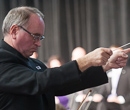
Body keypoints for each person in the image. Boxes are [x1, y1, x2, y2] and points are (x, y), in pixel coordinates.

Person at [0, 6, 130, 110]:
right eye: (35, 36)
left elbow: (59, 85)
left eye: (41, 38)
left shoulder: (33, 63)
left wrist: (105, 66)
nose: (39, 43)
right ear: (14, 31)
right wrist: (86, 60)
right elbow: (40, 81)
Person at [91, 45, 130, 110]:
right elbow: (103, 90)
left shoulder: (128, 72)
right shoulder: (107, 71)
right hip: (108, 104)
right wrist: (99, 95)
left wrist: (120, 99)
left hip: (123, 105)